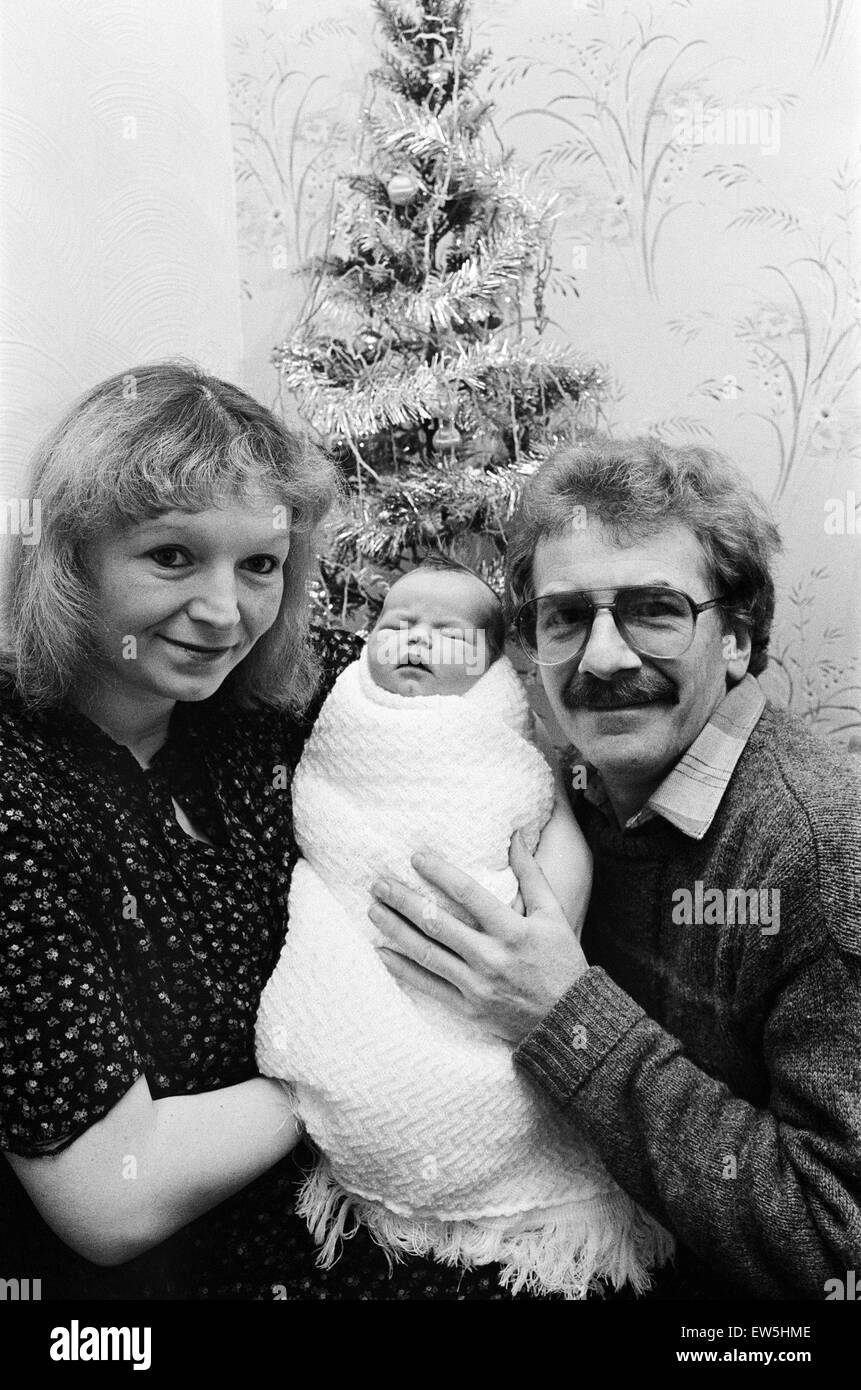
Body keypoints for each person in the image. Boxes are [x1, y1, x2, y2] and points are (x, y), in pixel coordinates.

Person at [0, 362, 530, 1300]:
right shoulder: (21, 796)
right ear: (71, 558)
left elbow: (477, 707)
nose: (225, 612)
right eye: (171, 556)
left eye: (260, 565)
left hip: (354, 1213)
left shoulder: (276, 704)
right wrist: (368, 1058)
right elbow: (107, 1202)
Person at [368, 436, 861, 1300]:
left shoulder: (818, 857)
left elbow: (836, 1244)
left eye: (653, 610)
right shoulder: (558, 793)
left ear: (737, 638)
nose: (602, 658)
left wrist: (566, 1017)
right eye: (565, 618)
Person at [256, 555, 672, 1298]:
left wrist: (550, 908)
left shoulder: (497, 733)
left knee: (497, 1068)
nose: (415, 642)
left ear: (488, 667)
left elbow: (536, 817)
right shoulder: (341, 714)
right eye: (396, 625)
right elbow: (325, 823)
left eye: (447, 635)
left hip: (487, 961)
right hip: (360, 938)